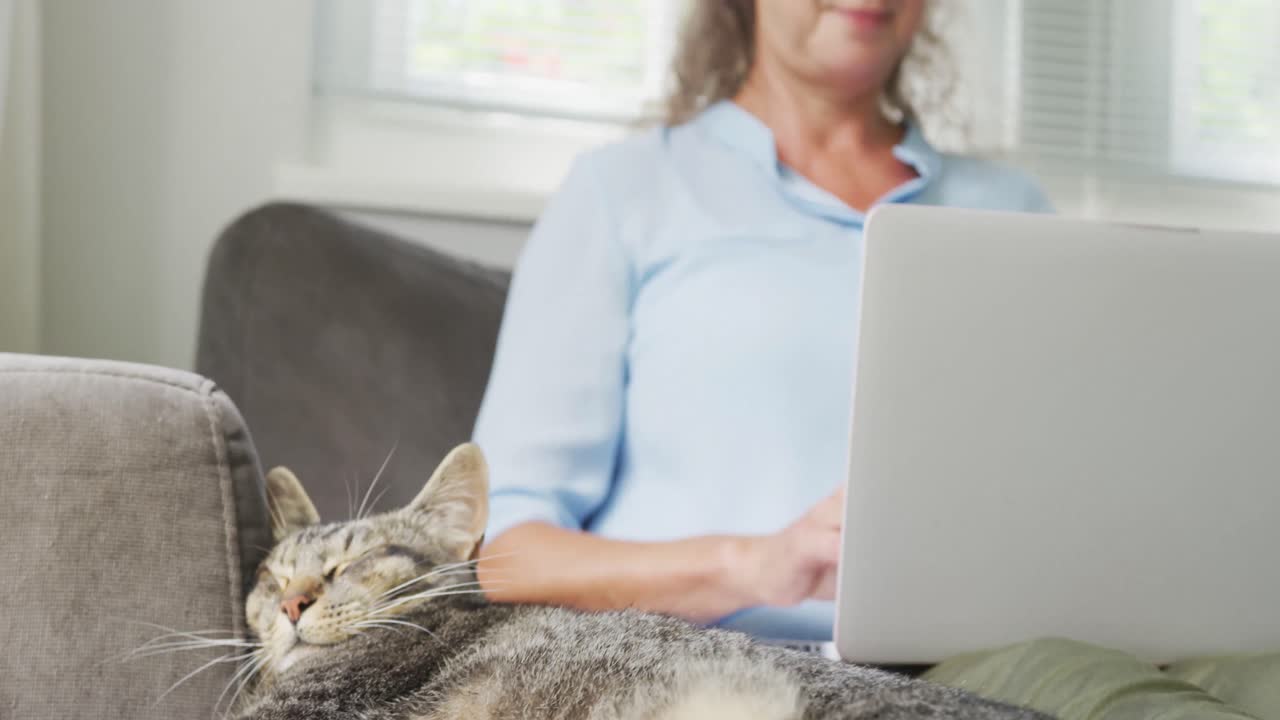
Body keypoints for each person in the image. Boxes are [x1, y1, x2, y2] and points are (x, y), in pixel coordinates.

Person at [471, 0, 1050, 642]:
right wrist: (754, 567)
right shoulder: (623, 192)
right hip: (700, 670)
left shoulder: (1014, 212)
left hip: (971, 667)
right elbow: (505, 554)